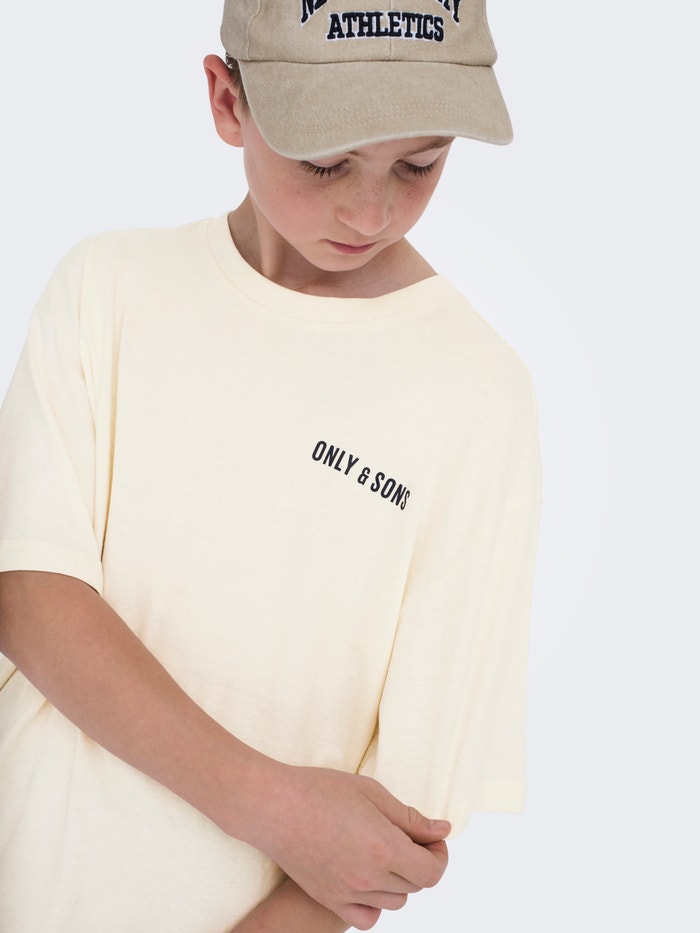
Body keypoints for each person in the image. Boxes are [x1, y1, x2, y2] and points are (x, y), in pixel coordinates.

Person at [0, 1, 541, 930]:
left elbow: (399, 824)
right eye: (325, 161)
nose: (369, 210)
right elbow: (27, 593)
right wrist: (272, 804)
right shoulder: (108, 289)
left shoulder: (478, 394)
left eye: (419, 164)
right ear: (227, 100)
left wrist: (316, 841)